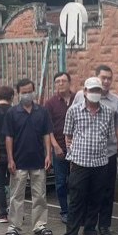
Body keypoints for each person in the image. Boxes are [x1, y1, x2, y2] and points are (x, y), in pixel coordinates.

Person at [59, 76, 117, 235]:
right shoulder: (74, 111)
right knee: (76, 200)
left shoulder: (107, 112)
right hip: (79, 163)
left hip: (100, 163)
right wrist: (72, 151)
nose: (94, 93)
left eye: (97, 90)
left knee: (96, 199)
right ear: (84, 92)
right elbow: (67, 134)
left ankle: (90, 232)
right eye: (91, 90)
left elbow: (109, 136)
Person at [73, 65, 118, 235]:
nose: (106, 81)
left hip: (107, 153)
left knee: (106, 190)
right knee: (84, 190)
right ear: (96, 78)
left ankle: (104, 224)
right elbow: (73, 121)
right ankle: (86, 223)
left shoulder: (116, 102)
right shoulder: (80, 97)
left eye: (109, 78)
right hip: (84, 154)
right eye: (103, 78)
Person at [4, 77, 54, 235]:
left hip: (38, 160)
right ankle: (14, 226)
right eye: (23, 92)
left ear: (34, 92)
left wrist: (48, 154)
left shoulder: (42, 112)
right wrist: (10, 159)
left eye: (29, 92)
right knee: (16, 196)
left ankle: (40, 225)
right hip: (18, 161)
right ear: (18, 94)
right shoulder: (12, 113)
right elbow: (9, 138)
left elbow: (46, 134)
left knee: (39, 195)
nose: (27, 95)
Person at [44, 71, 74, 223]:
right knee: (61, 182)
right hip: (59, 148)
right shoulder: (50, 103)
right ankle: (65, 211)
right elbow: (47, 128)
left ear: (69, 83)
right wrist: (55, 147)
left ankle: (77, 210)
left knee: (76, 181)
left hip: (78, 149)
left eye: (63, 81)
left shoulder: (78, 99)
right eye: (57, 81)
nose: (60, 83)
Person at [0, 85, 15, 225]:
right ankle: (15, 211)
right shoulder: (15, 111)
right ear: (12, 97)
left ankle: (2, 213)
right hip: (13, 153)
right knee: (15, 184)